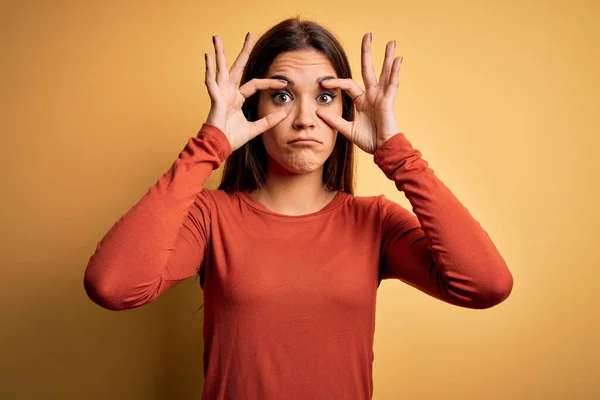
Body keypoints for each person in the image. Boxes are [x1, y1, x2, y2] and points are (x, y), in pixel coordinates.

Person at [84, 17, 513, 400]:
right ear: (254, 108)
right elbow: (113, 286)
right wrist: (208, 145)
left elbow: (485, 285)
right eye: (284, 97)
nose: (305, 118)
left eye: (325, 97)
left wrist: (395, 153)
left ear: (347, 107)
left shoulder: (374, 222)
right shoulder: (211, 217)